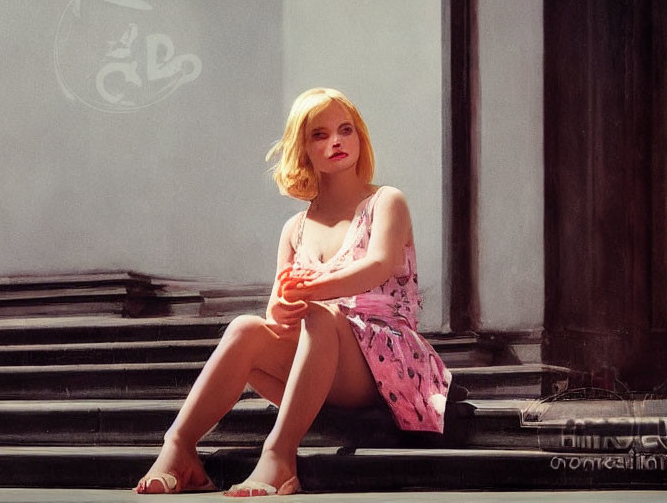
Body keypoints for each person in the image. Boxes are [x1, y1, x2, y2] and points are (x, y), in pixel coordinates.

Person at [133, 87, 453, 496]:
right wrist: (285, 307)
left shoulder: (386, 201)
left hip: (384, 360)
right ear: (302, 148)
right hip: (318, 355)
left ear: (360, 137)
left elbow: (380, 266)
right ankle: (178, 449)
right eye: (319, 135)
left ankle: (279, 456)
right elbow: (275, 315)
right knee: (246, 328)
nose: (336, 141)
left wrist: (314, 290)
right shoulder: (295, 229)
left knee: (321, 314)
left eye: (345, 130)